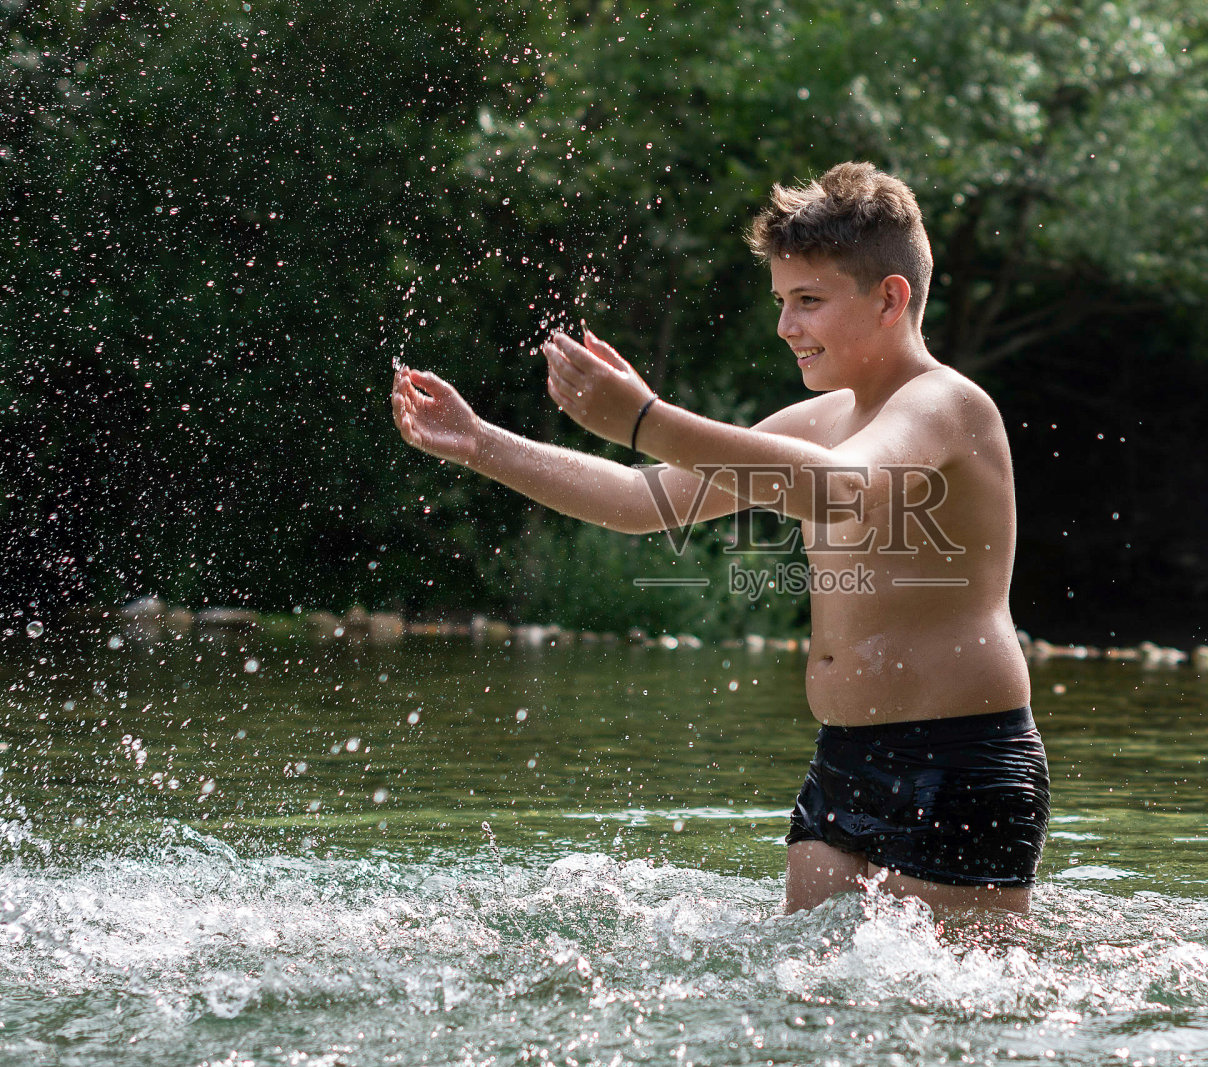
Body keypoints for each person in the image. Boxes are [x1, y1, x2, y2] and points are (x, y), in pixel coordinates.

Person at [391, 162, 1049, 914]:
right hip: (843, 759)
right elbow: (640, 501)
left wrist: (647, 420)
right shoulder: (822, 419)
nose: (786, 326)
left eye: (808, 301)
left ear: (889, 299)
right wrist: (482, 444)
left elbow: (841, 488)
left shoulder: (947, 404)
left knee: (945, 990)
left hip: (960, 761)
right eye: (781, 301)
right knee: (810, 983)